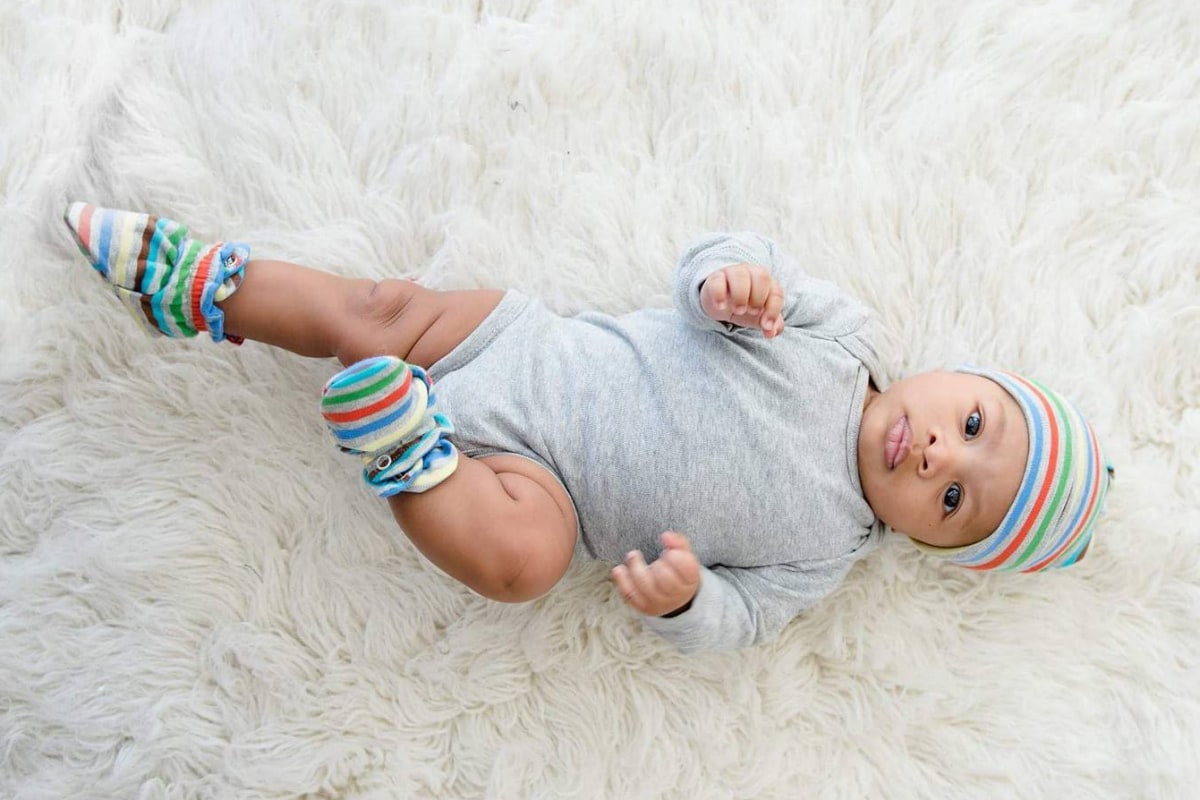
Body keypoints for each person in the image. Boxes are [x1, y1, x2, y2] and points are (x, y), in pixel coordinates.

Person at [62, 202, 1114, 653]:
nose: (938, 452)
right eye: (972, 420)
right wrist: (725, 282)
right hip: (516, 350)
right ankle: (203, 285)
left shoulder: (823, 556)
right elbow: (727, 250)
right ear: (955, 375)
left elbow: (737, 624)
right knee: (375, 309)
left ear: (931, 544)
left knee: (525, 563)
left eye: (952, 497)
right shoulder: (835, 335)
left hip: (543, 481)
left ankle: (409, 456)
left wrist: (691, 598)